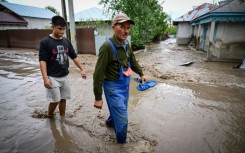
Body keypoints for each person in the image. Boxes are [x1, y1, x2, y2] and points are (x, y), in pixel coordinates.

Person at [93, 13, 146, 144]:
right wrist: (98, 97)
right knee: (122, 121)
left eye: (128, 28)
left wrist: (141, 73)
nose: (126, 31)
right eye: (122, 27)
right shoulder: (107, 47)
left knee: (120, 109)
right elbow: (98, 73)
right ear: (113, 27)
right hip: (112, 88)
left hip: (125, 85)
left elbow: (132, 61)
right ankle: (121, 146)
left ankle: (110, 123)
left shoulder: (126, 44)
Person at [39, 15, 86, 117]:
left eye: (63, 29)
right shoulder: (45, 42)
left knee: (63, 99)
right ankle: (50, 116)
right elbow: (42, 61)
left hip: (65, 76)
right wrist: (45, 78)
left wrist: (82, 69)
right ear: (53, 27)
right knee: (55, 100)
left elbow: (74, 56)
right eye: (59, 29)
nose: (62, 31)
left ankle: (62, 119)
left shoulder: (66, 41)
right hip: (52, 77)